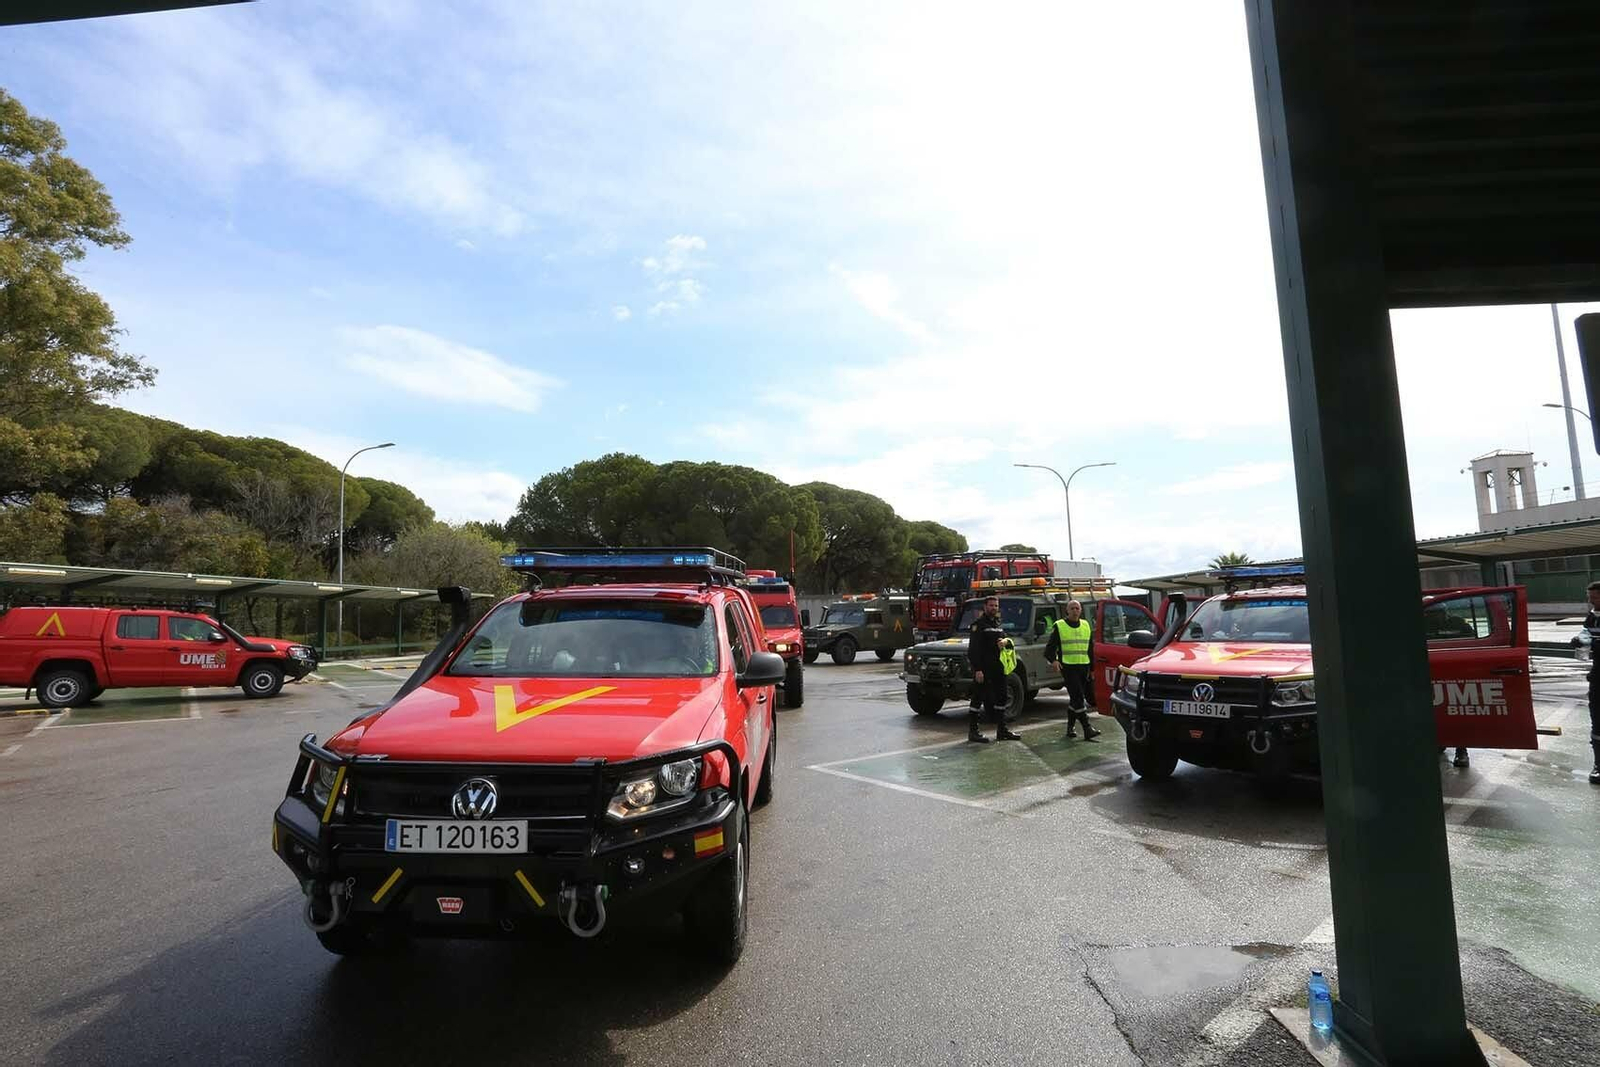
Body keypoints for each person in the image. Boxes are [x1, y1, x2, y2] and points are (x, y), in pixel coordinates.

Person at [968, 596, 1022, 743]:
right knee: (978, 698)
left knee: (1002, 697)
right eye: (991, 605)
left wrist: (1005, 641)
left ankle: (1002, 730)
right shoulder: (978, 625)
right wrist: (978, 670)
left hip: (998, 667)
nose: (994, 608)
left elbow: (1005, 641)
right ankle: (973, 732)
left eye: (996, 606)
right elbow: (973, 650)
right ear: (985, 607)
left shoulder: (998, 624)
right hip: (984, 668)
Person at [1046, 600, 1100, 741]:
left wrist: (1092, 669)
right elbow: (1049, 649)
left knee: (1075, 699)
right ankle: (1087, 728)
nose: (1075, 611)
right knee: (1078, 697)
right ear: (1067, 611)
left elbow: (1090, 649)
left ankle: (1070, 728)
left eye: (1077, 608)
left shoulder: (1086, 625)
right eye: (1072, 608)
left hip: (1084, 666)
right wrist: (1054, 660)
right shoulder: (1060, 626)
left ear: (1080, 610)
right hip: (1068, 667)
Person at [1586, 581, 1600, 785]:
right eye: (1590, 597)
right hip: (1598, 677)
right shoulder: (1591, 617)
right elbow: (1586, 635)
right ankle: (1599, 764)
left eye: (1595, 597)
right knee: (1597, 719)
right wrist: (1580, 640)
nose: (1591, 601)